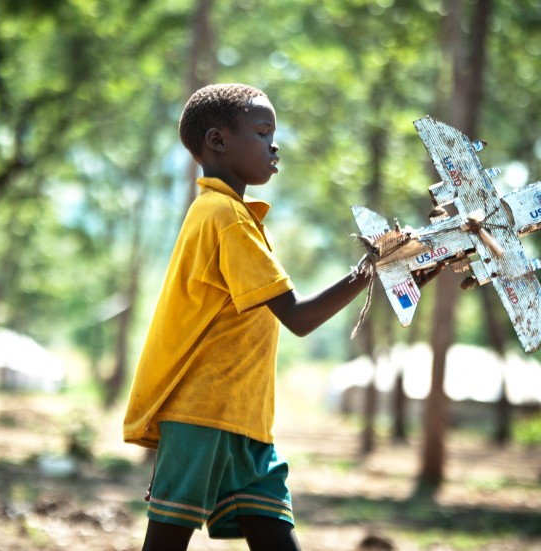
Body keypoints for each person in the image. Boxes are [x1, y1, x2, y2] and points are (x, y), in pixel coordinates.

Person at [123, 83, 437, 551]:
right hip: (202, 416)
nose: (275, 144)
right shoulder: (224, 217)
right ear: (217, 140)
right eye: (263, 131)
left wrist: (391, 273)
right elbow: (297, 316)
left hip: (247, 422)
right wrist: (375, 269)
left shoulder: (231, 216)